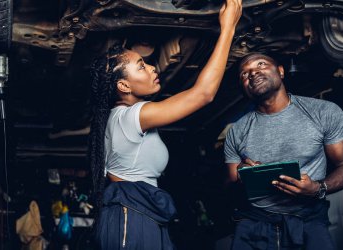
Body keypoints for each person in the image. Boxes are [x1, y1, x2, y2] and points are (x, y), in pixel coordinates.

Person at [88, 0, 242, 249]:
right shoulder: (132, 116)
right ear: (124, 86)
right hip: (132, 215)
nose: (151, 67)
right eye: (141, 66)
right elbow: (203, 94)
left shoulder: (121, 117)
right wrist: (228, 28)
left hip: (138, 211)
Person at [224, 52, 343, 250]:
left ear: (281, 71)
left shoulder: (323, 112)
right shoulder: (237, 131)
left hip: (308, 219)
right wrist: (242, 172)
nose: (253, 73)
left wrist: (317, 188)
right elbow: (229, 183)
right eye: (245, 74)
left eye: (261, 64)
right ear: (243, 86)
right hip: (255, 224)